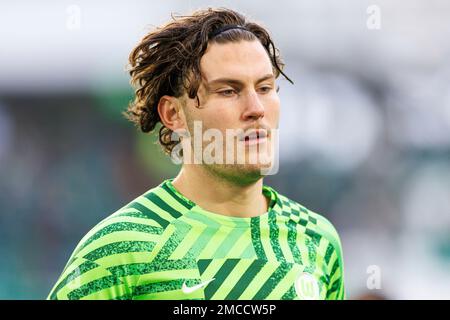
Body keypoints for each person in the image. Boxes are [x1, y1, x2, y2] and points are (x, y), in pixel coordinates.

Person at [47, 7, 345, 300]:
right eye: (228, 91)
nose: (256, 108)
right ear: (173, 113)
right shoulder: (120, 248)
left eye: (265, 88)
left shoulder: (317, 240)